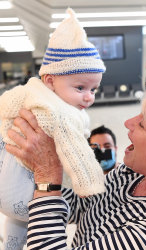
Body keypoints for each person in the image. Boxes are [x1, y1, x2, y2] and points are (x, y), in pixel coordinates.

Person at [5, 81, 146, 249]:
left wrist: (48, 177)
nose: (128, 123)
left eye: (143, 123)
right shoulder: (133, 175)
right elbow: (85, 206)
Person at [0, 8, 106, 250]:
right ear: (51, 80)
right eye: (80, 88)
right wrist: (90, 185)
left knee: (15, 233)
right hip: (25, 192)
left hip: (7, 181)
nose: (89, 97)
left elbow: (4, 107)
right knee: (39, 215)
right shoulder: (60, 112)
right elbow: (76, 152)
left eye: (94, 89)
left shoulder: (29, 90)